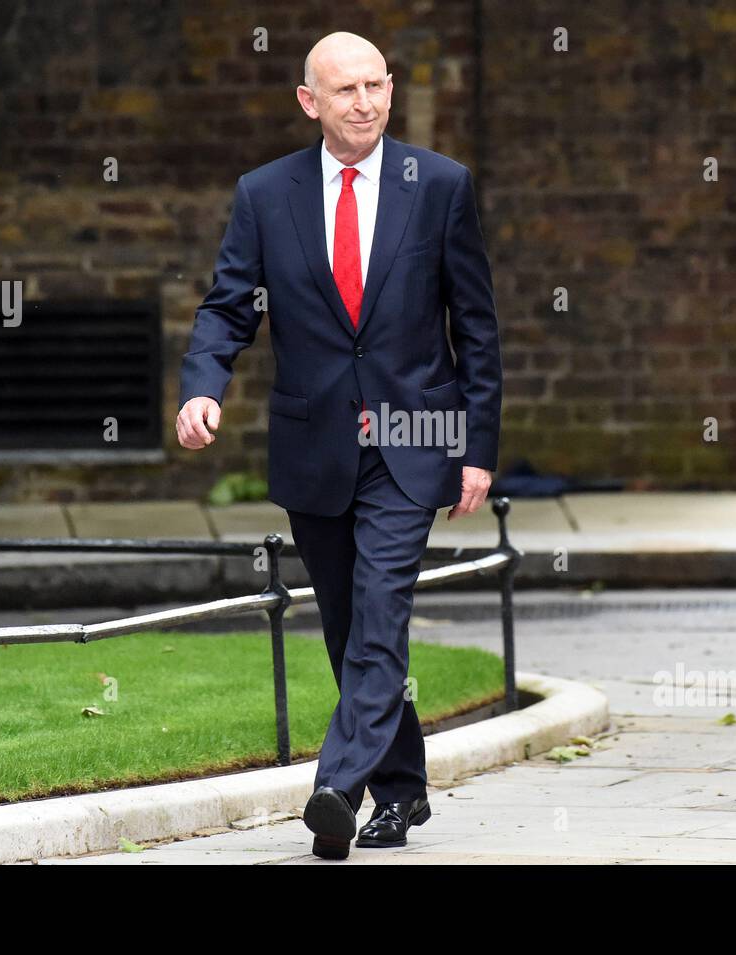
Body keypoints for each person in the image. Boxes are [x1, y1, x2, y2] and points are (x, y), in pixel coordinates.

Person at [175, 31, 502, 860]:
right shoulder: (265, 193)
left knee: (382, 614)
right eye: (345, 90)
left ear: (390, 89)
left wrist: (476, 447)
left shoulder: (439, 186)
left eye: (375, 86)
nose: (364, 103)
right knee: (348, 621)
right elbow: (227, 307)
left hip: (413, 437)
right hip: (315, 443)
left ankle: (337, 787)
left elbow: (476, 328)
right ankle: (402, 789)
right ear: (309, 101)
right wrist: (204, 386)